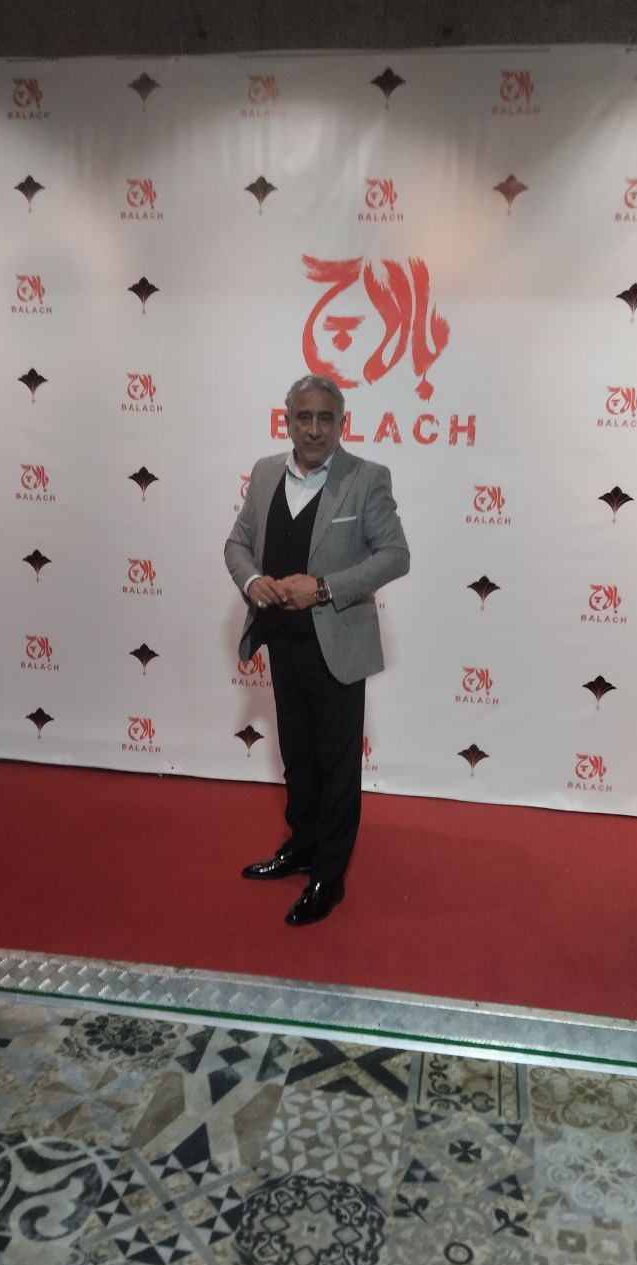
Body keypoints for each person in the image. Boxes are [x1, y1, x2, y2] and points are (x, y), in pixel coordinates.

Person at [224, 374, 410, 925]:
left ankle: (330, 874)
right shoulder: (264, 474)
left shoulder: (366, 478)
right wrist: (252, 580)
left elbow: (395, 555)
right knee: (298, 757)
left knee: (336, 764)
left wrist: (324, 588)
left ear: (340, 423)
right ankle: (302, 845)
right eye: (303, 417)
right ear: (287, 422)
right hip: (281, 642)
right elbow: (237, 543)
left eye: (325, 418)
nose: (313, 429)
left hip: (338, 647)